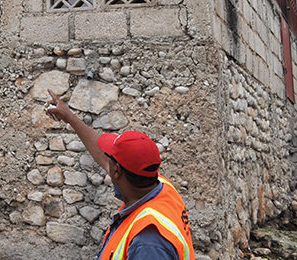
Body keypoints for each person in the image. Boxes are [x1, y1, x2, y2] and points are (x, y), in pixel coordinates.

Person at [45, 90, 194, 260]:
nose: (105, 159)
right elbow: (103, 156)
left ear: (117, 171)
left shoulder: (148, 243)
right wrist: (70, 118)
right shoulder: (160, 187)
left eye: (111, 160)